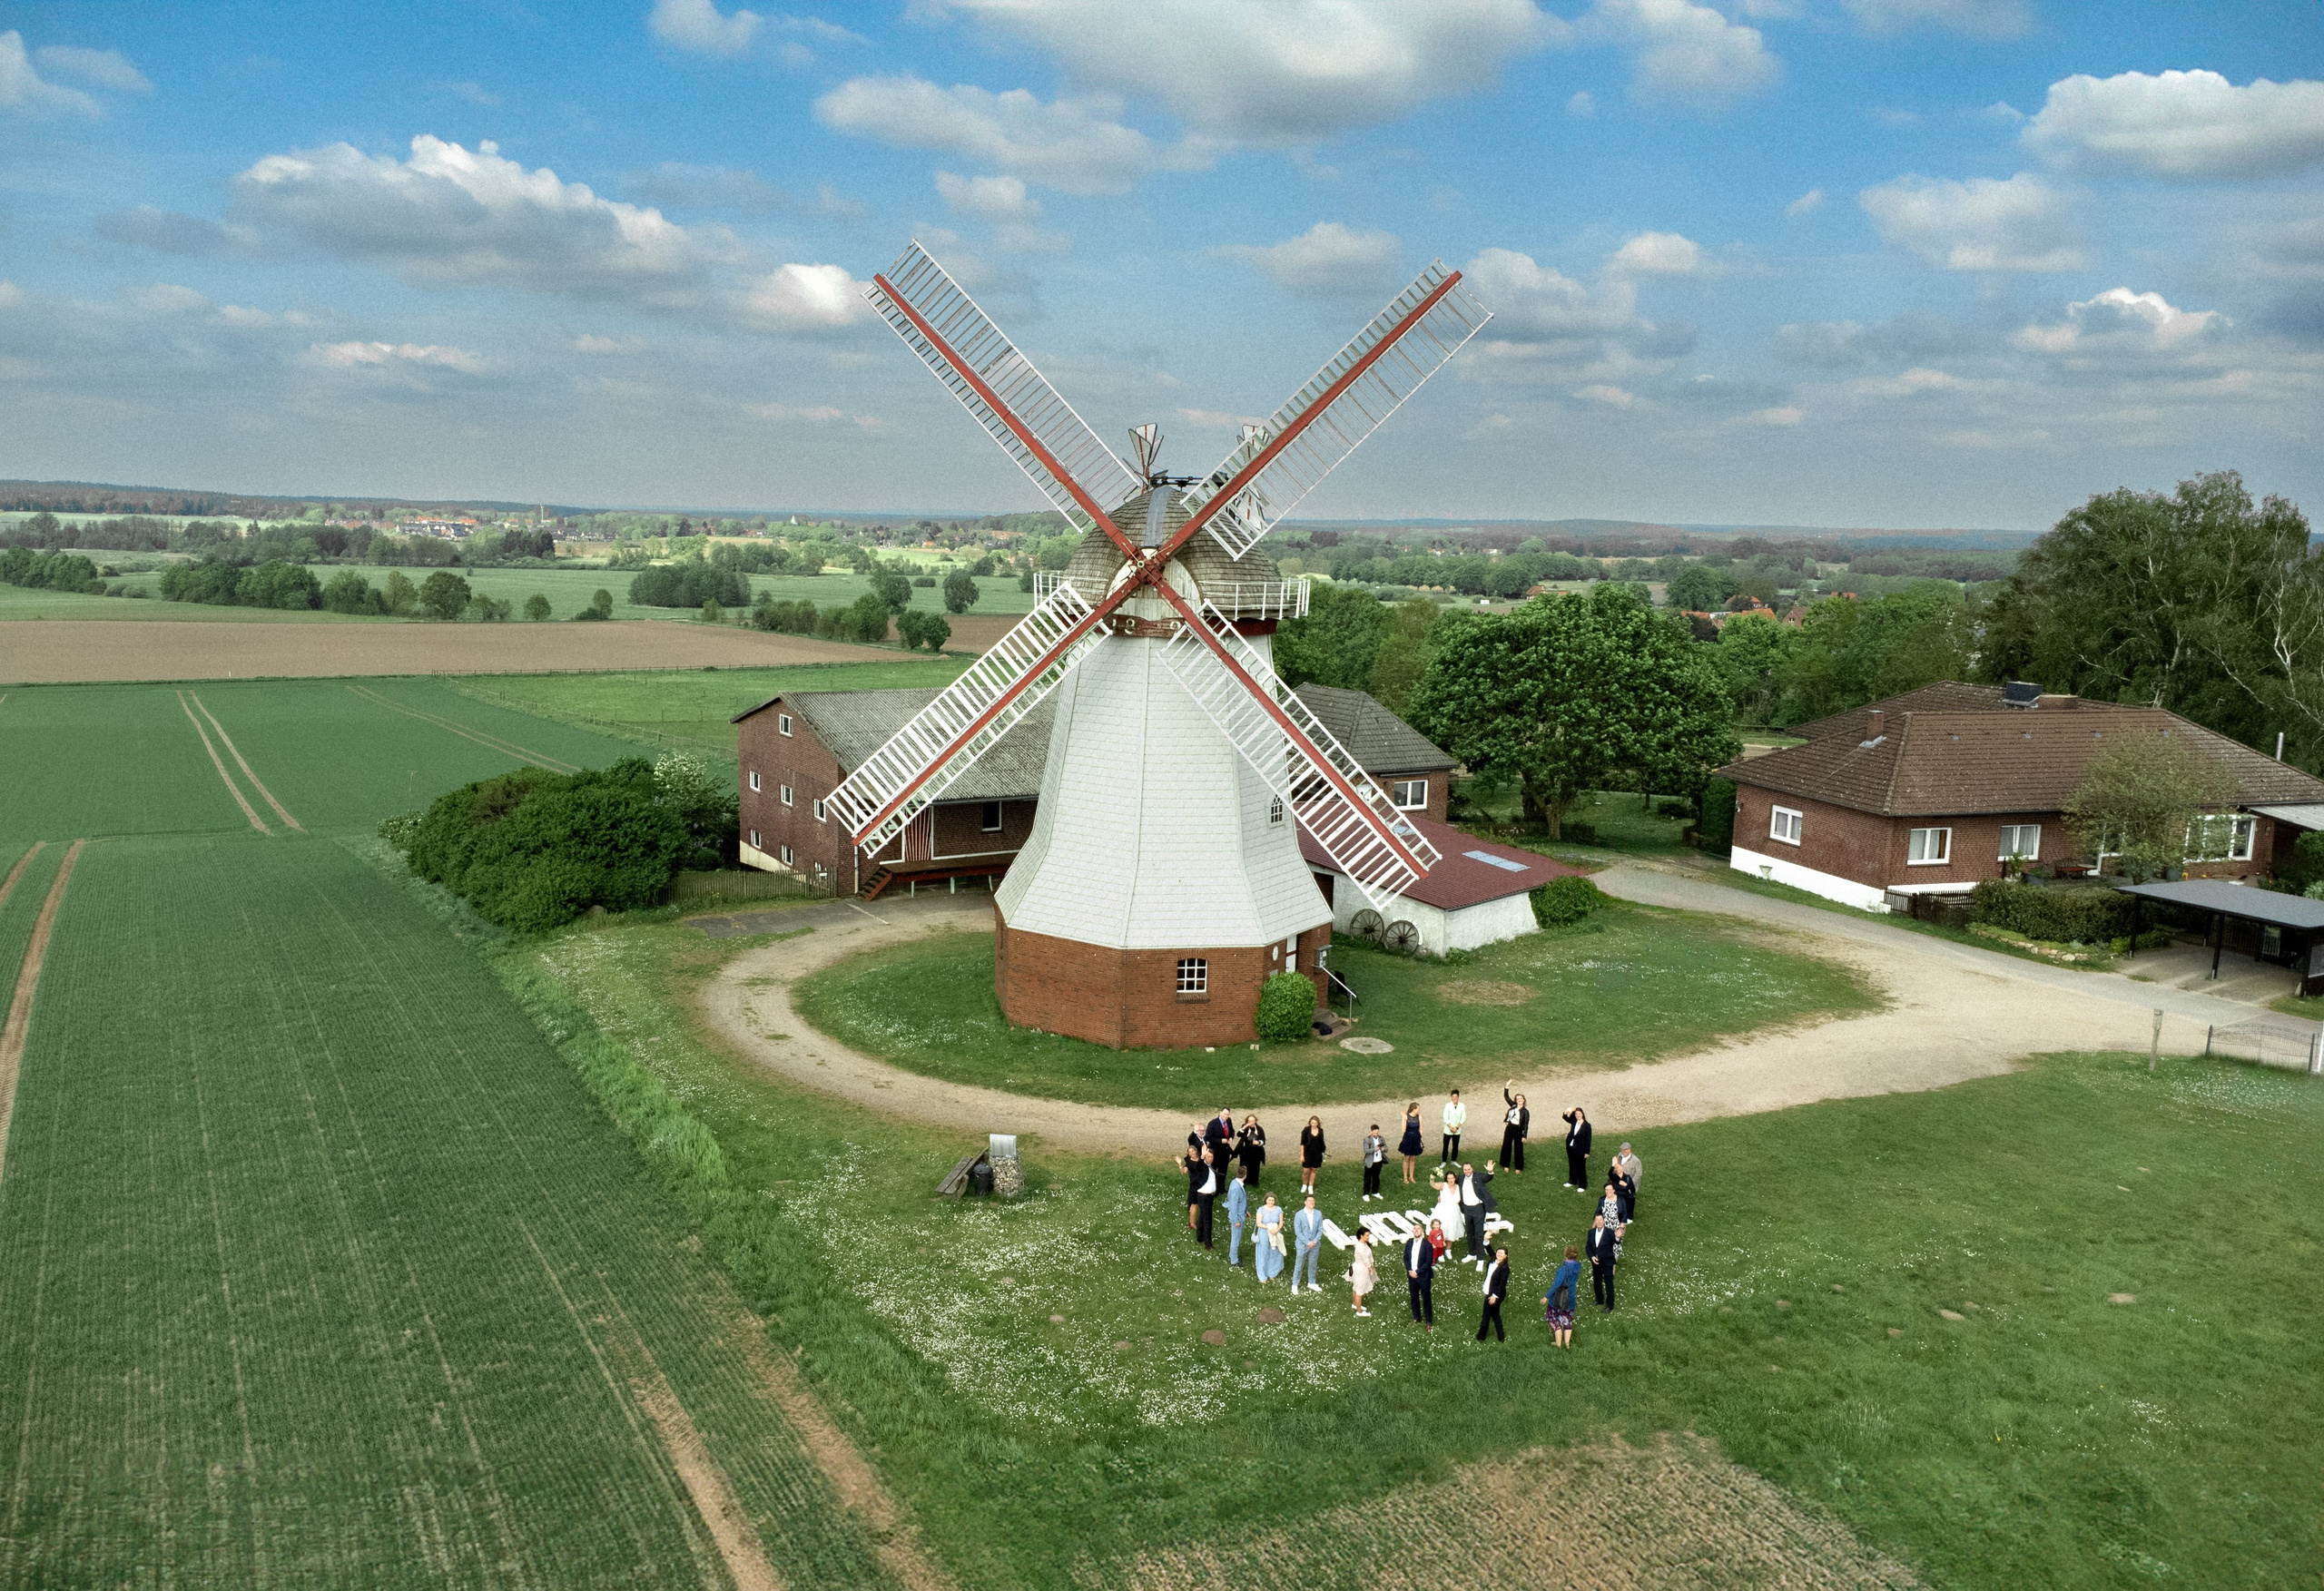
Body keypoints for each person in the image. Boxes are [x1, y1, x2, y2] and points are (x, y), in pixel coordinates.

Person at [1543, 1245, 1581, 1347]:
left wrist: (1546, 1296)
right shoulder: (1577, 1267)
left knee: (1554, 1319)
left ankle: (1558, 1344)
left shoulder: (1563, 1269)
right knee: (1567, 1319)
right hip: (1571, 1297)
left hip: (1558, 1299)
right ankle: (1567, 1344)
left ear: (1566, 1254)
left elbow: (1556, 1284)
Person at [1404, 1223, 1436, 1331]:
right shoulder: (1409, 1243)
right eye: (1414, 1228)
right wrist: (1410, 1270)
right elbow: (1406, 1258)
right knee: (1414, 1297)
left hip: (1423, 1276)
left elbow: (1428, 1262)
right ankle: (1416, 1317)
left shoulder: (1427, 1244)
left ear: (1422, 1231)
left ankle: (1428, 1321)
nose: (1416, 1230)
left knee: (1426, 1298)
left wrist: (1417, 1272)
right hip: (1411, 1275)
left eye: (1418, 1228)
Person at [1477, 1247, 1511, 1343]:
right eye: (1498, 1252)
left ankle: (1481, 1337)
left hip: (1494, 1294)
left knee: (1486, 1316)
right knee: (1495, 1315)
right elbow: (1489, 1250)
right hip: (1489, 1291)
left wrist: (1494, 1296)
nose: (1499, 1254)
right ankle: (1501, 1337)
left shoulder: (1504, 1269)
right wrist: (1486, 1240)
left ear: (1505, 1256)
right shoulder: (1493, 1261)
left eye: (1501, 1253)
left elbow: (1502, 1284)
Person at [1292, 1194, 1325, 1291]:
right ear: (1305, 1202)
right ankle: (1295, 1284)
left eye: (1313, 1201)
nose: (1312, 1202)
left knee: (1313, 1264)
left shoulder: (1318, 1214)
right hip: (1302, 1245)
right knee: (1299, 1264)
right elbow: (1297, 1231)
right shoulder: (1299, 1215)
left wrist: (1314, 1241)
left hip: (1314, 1245)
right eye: (1310, 1201)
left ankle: (1312, 1282)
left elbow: (1320, 1230)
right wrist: (1307, 1242)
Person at [1586, 1213, 1618, 1312]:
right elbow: (1588, 1247)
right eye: (1597, 1220)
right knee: (1597, 1282)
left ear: (1604, 1221)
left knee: (1609, 1283)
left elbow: (1616, 1240)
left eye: (1600, 1220)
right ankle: (1599, 1299)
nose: (1599, 1222)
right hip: (1596, 1263)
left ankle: (1610, 1305)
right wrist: (1591, 1257)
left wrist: (1617, 1237)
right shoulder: (1591, 1233)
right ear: (1595, 1222)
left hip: (1607, 1262)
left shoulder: (1610, 1232)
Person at [1458, 1163, 1486, 1264]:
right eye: (1465, 1169)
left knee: (1478, 1234)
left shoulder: (1478, 1176)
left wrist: (1490, 1172)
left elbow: (1488, 1178)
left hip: (1478, 1208)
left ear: (1472, 1169)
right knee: (1469, 1233)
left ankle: (1480, 1258)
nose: (1467, 1171)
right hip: (1466, 1209)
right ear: (1463, 1170)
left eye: (1469, 1169)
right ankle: (1472, 1253)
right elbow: (1449, 1182)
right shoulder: (1460, 1178)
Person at [1191, 1149, 1219, 1249]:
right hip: (1203, 1195)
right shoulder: (1202, 1165)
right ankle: (1208, 1243)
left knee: (1203, 1216)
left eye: (1212, 1157)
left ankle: (1199, 1236)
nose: (1210, 1159)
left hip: (1210, 1195)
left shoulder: (1213, 1165)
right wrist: (1202, 1157)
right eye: (1208, 1157)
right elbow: (1198, 1166)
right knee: (1208, 1219)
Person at [1254, 1193, 1285, 1283]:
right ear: (1266, 1200)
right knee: (1263, 1253)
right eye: (1269, 1200)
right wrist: (1269, 1228)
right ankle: (1262, 1276)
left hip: (1275, 1232)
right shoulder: (1261, 1209)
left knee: (1274, 1253)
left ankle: (1272, 1273)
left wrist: (1277, 1229)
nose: (1271, 1202)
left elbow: (1281, 1222)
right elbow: (1259, 1223)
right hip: (1264, 1233)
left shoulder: (1278, 1209)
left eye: (1272, 1200)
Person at [1561, 1105, 1592, 1193]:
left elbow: (1588, 1139)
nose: (1578, 1115)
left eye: (1579, 1113)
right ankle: (1572, 1181)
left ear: (1582, 1114)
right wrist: (1567, 1111)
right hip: (1570, 1146)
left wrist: (1587, 1152)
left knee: (1581, 1167)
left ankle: (1582, 1185)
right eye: (1576, 1114)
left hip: (1580, 1149)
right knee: (1572, 1164)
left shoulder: (1587, 1126)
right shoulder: (1574, 1121)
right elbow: (1565, 1117)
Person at [1500, 1083, 1530, 1173]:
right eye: (1518, 1099)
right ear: (1516, 1101)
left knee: (1518, 1148)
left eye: (1521, 1098)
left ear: (1524, 1100)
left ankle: (1518, 1167)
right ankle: (1506, 1164)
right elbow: (1506, 1096)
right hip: (1510, 1128)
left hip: (1518, 1130)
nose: (1519, 1100)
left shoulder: (1525, 1112)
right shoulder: (1513, 1106)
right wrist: (1507, 1086)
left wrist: (1524, 1136)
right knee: (1507, 1145)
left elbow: (1526, 1124)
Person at [1225, 1166, 1250, 1267]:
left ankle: (1232, 1255)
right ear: (1245, 1175)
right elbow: (1234, 1205)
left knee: (1236, 1238)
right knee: (1236, 1238)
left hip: (1240, 1214)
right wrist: (1236, 1221)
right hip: (1237, 1218)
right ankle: (1234, 1260)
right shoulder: (1236, 1188)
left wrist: (1245, 1211)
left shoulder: (1234, 1182)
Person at [1350, 1229, 1377, 1316]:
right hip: (1361, 1269)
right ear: (1361, 1236)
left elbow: (1369, 1256)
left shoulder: (1364, 1244)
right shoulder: (1360, 1246)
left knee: (1356, 1287)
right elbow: (1365, 1259)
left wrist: (1372, 1263)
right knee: (1359, 1289)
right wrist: (1371, 1268)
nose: (1368, 1237)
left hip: (1361, 1267)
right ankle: (1359, 1311)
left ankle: (1355, 1304)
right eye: (1367, 1235)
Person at [1236, 1113, 1268, 1187]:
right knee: (1245, 1166)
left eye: (1253, 1121)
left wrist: (1258, 1142)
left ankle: (1254, 1182)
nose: (1251, 1122)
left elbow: (1263, 1140)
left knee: (1255, 1166)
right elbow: (1238, 1134)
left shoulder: (1259, 1129)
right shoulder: (1245, 1127)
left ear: (1255, 1121)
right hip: (1245, 1151)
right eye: (1249, 1121)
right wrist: (1246, 1126)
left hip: (1256, 1151)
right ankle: (1244, 1180)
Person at [1204, 1106, 1236, 1176]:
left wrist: (1231, 1137)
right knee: (1213, 1170)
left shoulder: (1228, 1120)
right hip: (1215, 1151)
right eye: (1224, 1114)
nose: (1226, 1116)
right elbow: (1208, 1137)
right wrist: (1220, 1140)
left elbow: (1232, 1131)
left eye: (1227, 1115)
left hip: (1225, 1151)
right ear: (1220, 1113)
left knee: (1223, 1170)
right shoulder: (1212, 1123)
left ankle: (1221, 1186)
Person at [1298, 1115, 1326, 1196]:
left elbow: (1322, 1142)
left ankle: (1310, 1186)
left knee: (1313, 1170)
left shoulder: (1321, 1131)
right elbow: (1302, 1143)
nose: (1314, 1124)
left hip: (1317, 1153)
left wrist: (1323, 1152)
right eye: (1312, 1123)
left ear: (1318, 1123)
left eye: (1315, 1123)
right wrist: (1302, 1155)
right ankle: (1304, 1184)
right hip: (1307, 1153)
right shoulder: (1306, 1130)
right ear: (1310, 1123)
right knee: (1305, 1171)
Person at [1397, 1104, 1423, 1186]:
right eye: (1418, 1109)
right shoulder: (1406, 1117)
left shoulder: (1419, 1117)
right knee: (1406, 1158)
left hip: (1416, 1139)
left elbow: (1421, 1130)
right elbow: (1403, 1129)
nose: (1419, 1110)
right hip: (1408, 1139)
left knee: (1413, 1158)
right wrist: (1403, 1118)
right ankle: (1405, 1177)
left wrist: (1420, 1140)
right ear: (1414, 1109)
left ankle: (1411, 1176)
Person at [1615, 1142, 1642, 1221]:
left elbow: (1638, 1174)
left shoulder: (1636, 1161)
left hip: (1630, 1185)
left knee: (1629, 1202)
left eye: (1626, 1149)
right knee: (1619, 1199)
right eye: (1623, 1150)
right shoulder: (1619, 1156)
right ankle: (1619, 1214)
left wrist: (1629, 1184)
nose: (1625, 1151)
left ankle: (1629, 1217)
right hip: (1619, 1184)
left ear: (1630, 1149)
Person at [1361, 1124, 1387, 1200]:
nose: (1376, 1134)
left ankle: (1375, 1192)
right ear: (1371, 1132)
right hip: (1370, 1162)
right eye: (1374, 1133)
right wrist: (1374, 1149)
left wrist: (1383, 1149)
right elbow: (1366, 1150)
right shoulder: (1367, 1139)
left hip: (1378, 1161)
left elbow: (1386, 1148)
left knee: (1376, 1177)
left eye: (1377, 1133)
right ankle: (1365, 1193)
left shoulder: (1381, 1138)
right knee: (1367, 1178)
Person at [1441, 1090, 1466, 1165]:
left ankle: (1454, 1160)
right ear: (1451, 1097)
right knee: (1446, 1146)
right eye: (1453, 1097)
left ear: (1458, 1097)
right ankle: (1444, 1161)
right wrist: (1451, 1127)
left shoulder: (1462, 1106)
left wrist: (1457, 1128)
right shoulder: (1448, 1105)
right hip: (1448, 1130)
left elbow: (1463, 1117)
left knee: (1455, 1146)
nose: (1455, 1098)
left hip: (1457, 1130)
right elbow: (1445, 1118)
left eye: (1456, 1097)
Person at [1609, 1161, 1637, 1227]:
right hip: (1617, 1195)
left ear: (1622, 1168)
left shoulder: (1627, 1177)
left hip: (1625, 1196)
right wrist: (1613, 1166)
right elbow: (1609, 1174)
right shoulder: (1614, 1177)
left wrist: (1626, 1185)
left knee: (1631, 1200)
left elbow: (1632, 1189)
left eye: (1618, 1167)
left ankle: (1629, 1217)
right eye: (1615, 1168)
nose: (1617, 1169)